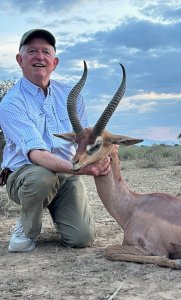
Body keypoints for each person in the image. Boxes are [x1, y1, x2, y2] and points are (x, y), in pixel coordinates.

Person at [0, 29, 110, 252]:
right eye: (32, 51)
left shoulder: (71, 95)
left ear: (55, 62)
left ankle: (55, 213)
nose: (39, 57)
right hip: (27, 176)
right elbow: (37, 155)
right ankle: (27, 227)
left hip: (66, 174)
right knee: (42, 177)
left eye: (45, 52)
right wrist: (83, 169)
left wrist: (103, 154)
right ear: (20, 60)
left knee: (82, 238)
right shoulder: (11, 103)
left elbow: (85, 139)